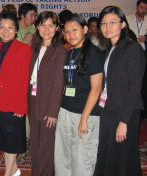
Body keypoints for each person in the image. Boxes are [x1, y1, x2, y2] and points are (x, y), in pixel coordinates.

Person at [95, 6, 145, 176]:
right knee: (109, 153)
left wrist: (124, 122)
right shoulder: (109, 48)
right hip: (109, 107)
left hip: (125, 111)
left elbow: (134, 87)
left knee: (123, 156)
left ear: (123, 24)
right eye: (103, 23)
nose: (107, 27)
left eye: (112, 22)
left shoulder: (132, 48)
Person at [54, 13, 104, 176]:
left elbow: (96, 89)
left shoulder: (94, 53)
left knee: (82, 161)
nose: (70, 35)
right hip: (66, 110)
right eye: (67, 32)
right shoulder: (69, 53)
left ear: (85, 29)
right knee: (63, 159)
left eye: (74, 30)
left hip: (85, 113)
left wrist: (84, 119)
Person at [0, 12, 32, 176]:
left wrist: (21, 105)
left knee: (12, 138)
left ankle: (8, 173)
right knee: (3, 137)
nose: (6, 31)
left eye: (10, 27)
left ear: (16, 30)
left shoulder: (24, 49)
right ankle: (14, 170)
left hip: (14, 101)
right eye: (2, 27)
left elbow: (25, 79)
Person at [28, 11, 67, 176]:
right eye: (43, 24)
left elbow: (59, 83)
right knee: (35, 144)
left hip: (48, 104)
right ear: (37, 26)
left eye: (51, 25)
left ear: (57, 28)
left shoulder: (60, 50)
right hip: (33, 100)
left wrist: (53, 112)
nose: (46, 28)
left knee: (46, 145)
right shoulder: (34, 48)